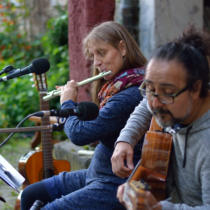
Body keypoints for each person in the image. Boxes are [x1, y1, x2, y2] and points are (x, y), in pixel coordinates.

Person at [20, 21, 147, 210]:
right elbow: (96, 122)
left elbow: (81, 135)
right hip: (96, 173)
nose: (96, 62)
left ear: (122, 48)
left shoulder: (130, 94)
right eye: (93, 56)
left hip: (115, 184)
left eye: (101, 53)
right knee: (30, 194)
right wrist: (73, 110)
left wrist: (68, 104)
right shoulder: (114, 87)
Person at [111, 27, 210, 209]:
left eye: (168, 93)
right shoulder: (171, 105)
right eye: (150, 89)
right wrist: (125, 139)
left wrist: (159, 208)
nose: (155, 104)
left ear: (197, 88)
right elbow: (146, 106)